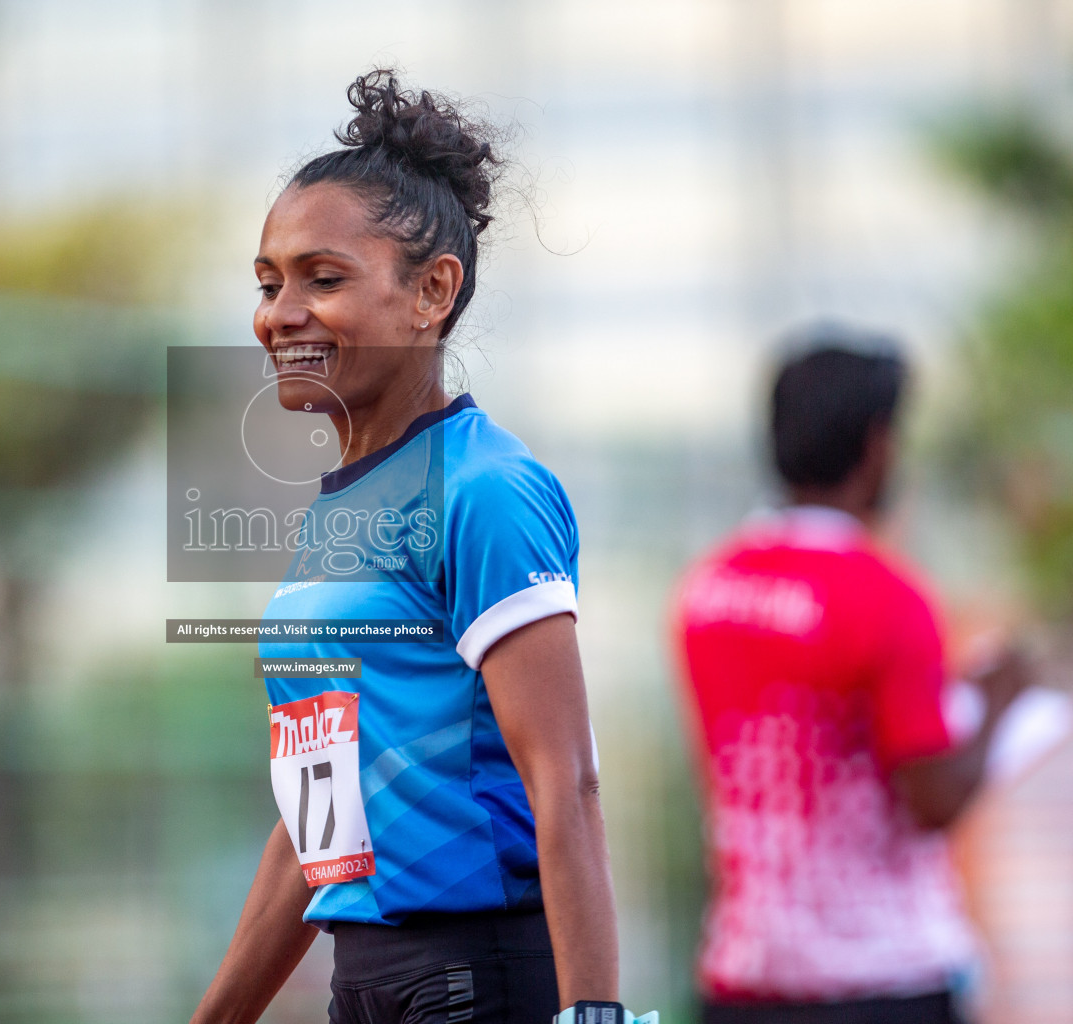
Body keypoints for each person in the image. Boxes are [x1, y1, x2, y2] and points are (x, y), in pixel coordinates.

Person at [190, 70, 624, 1024]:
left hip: (480, 981)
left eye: (324, 279)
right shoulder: (336, 516)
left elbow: (568, 779)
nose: (280, 314)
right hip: (369, 982)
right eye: (268, 284)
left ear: (433, 291)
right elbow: (318, 825)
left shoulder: (485, 490)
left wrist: (594, 1013)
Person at [671, 331, 1032, 1024]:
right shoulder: (887, 594)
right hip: (885, 980)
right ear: (877, 447)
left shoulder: (707, 589)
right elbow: (933, 799)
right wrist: (998, 702)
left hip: (744, 976)